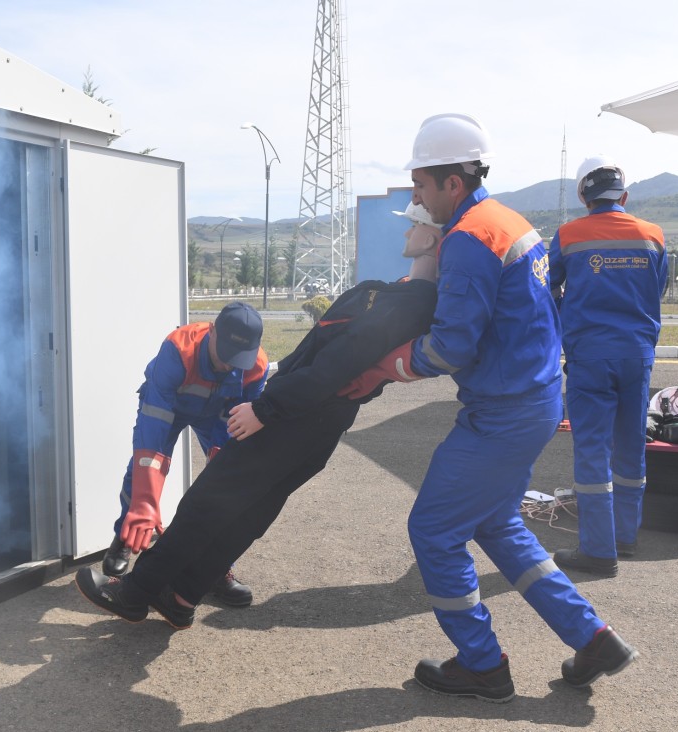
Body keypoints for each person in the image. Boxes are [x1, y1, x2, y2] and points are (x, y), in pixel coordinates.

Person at [348, 113, 638, 701]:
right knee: (498, 525)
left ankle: (481, 663)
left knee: (432, 530)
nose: (416, 196)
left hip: (502, 413)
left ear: (454, 182)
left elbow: (452, 345)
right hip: (531, 398)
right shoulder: (506, 220)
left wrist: (385, 365)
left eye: (422, 185)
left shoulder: (469, 239)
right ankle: (593, 638)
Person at [75, 205, 442, 628]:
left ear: (431, 239)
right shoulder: (407, 296)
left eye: (416, 224)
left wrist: (267, 408)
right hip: (322, 422)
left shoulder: (408, 303)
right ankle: (181, 595)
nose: (407, 231)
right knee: (251, 511)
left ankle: (135, 594)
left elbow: (336, 364)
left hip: (297, 412)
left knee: (208, 499)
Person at [101, 301, 268, 607]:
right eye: (227, 353)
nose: (230, 366)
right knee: (142, 472)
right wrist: (144, 503)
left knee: (227, 485)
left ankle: (215, 569)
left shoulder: (255, 367)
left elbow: (239, 426)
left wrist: (225, 462)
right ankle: (126, 538)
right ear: (213, 331)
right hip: (170, 409)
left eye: (238, 359)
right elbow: (153, 428)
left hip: (218, 416)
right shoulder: (177, 351)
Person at [547, 155, 669, 576]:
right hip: (637, 354)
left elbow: (549, 291)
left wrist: (570, 310)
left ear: (583, 196)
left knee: (592, 449)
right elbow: (659, 288)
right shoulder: (653, 235)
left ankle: (598, 551)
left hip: (590, 356)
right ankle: (625, 536)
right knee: (631, 444)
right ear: (625, 195)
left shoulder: (567, 235)